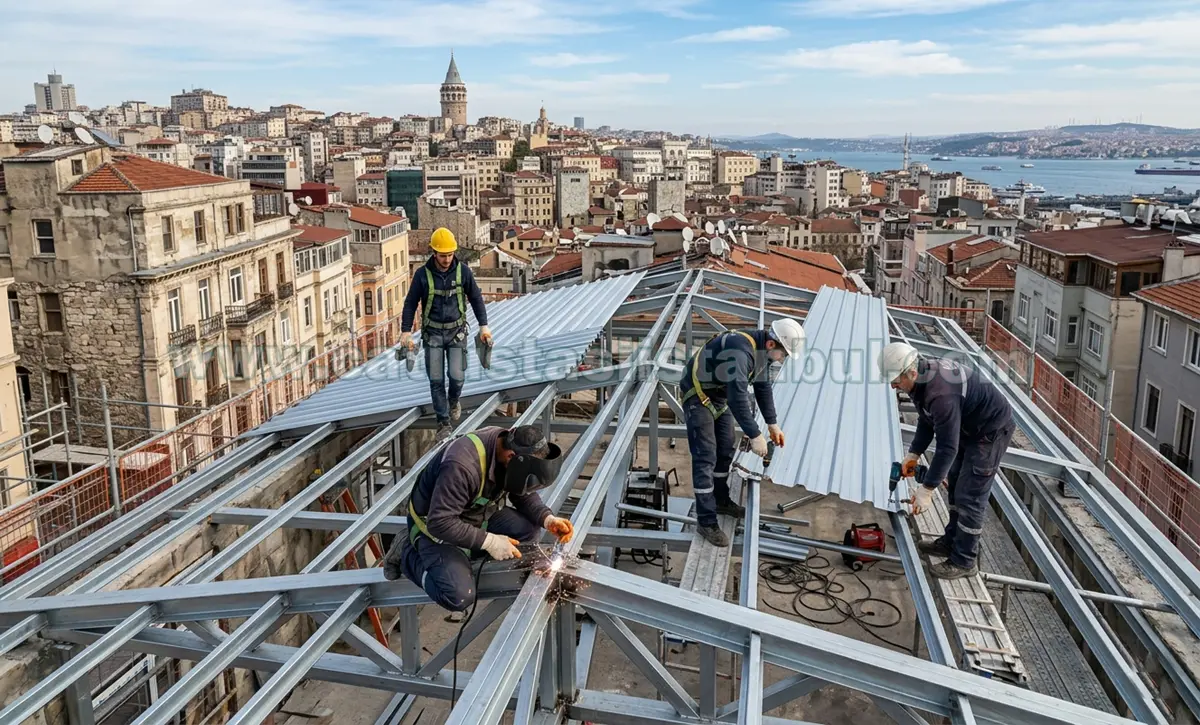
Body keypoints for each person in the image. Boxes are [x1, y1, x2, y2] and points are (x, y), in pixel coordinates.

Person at [382, 425, 574, 611]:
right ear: (512, 457)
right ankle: (406, 551)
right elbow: (440, 522)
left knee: (529, 530)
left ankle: (469, 557)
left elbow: (520, 489)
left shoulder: (506, 448)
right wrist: (489, 542)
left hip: (476, 513)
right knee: (458, 596)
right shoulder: (461, 465)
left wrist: (547, 518)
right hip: (437, 525)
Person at [879, 342, 1015, 580]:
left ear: (911, 372)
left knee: (969, 495)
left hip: (990, 433)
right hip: (970, 428)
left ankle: (964, 561)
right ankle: (950, 542)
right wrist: (914, 453)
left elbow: (947, 447)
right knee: (954, 481)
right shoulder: (921, 379)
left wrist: (927, 489)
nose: (893, 386)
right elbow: (926, 418)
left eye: (896, 380)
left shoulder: (941, 393)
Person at [680, 319, 805, 547]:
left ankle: (720, 500)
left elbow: (762, 387)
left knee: (725, 449)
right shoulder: (741, 353)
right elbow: (738, 397)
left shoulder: (760, 353)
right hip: (698, 396)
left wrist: (772, 424)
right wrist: (755, 434)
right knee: (705, 456)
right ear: (771, 344)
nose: (783, 359)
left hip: (718, 396)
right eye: (783, 354)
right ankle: (706, 521)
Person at [401, 227, 492, 440]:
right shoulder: (422, 276)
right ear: (434, 253)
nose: (447, 259)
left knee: (457, 376)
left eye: (450, 254)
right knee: (436, 379)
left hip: (456, 333)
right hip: (432, 334)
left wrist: (484, 326)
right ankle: (443, 421)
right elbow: (410, 303)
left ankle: (454, 400)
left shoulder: (463, 273)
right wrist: (406, 331)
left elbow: (476, 298)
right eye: (443, 255)